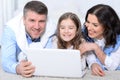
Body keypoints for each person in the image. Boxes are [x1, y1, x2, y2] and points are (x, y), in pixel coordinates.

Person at [1, 1, 56, 77]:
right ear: (24, 20)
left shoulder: (51, 28)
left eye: (41, 21)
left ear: (46, 20)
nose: (37, 26)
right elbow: (6, 61)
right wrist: (18, 68)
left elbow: (51, 58)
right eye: (32, 20)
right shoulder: (11, 30)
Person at [80, 4, 120, 76]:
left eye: (95, 25)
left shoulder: (118, 40)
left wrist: (96, 48)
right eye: (88, 22)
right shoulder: (85, 33)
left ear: (107, 27)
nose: (89, 28)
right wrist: (93, 63)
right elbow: (89, 53)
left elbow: (113, 67)